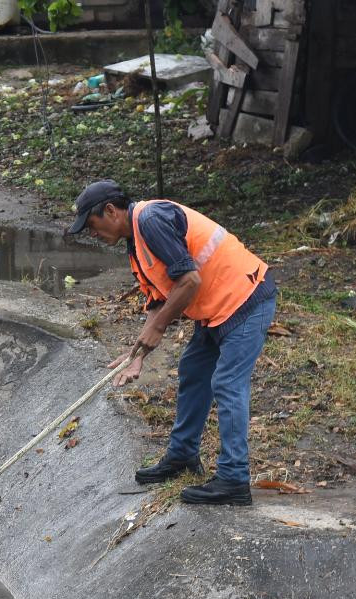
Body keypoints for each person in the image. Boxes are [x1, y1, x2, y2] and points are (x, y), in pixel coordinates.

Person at [68, 180, 276, 506]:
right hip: (218, 308)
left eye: (91, 225)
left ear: (110, 211)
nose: (92, 234)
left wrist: (160, 328)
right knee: (193, 370)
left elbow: (189, 280)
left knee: (227, 383)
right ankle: (182, 457)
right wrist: (138, 354)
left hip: (246, 299)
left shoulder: (151, 221)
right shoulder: (135, 243)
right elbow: (157, 301)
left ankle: (234, 480)